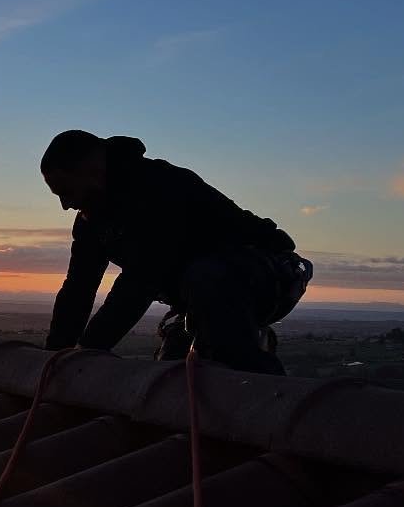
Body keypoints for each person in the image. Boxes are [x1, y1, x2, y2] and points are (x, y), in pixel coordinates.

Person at [41, 130, 312, 375]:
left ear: (93, 169)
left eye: (66, 191)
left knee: (226, 345)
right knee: (172, 376)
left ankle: (268, 394)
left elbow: (141, 280)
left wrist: (88, 350)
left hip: (265, 275)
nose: (66, 205)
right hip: (202, 294)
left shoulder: (159, 186)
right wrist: (53, 358)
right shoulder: (93, 220)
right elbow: (79, 287)